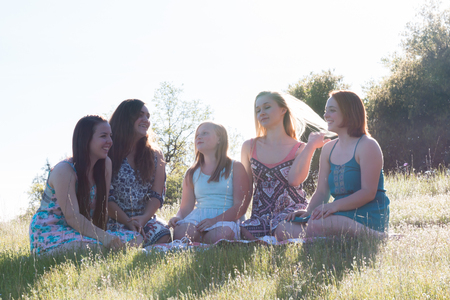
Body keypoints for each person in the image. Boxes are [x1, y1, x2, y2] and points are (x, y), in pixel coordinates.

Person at [29, 116, 142, 255]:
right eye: (103, 136)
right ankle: (44, 254)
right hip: (52, 230)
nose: (110, 141)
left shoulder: (105, 164)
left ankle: (110, 250)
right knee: (97, 249)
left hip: (82, 230)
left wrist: (120, 228)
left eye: (110, 136)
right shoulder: (64, 171)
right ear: (86, 139)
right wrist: (105, 238)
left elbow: (103, 206)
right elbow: (72, 217)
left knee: (136, 239)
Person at [285, 90, 390, 239]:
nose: (326, 115)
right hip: (336, 214)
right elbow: (322, 192)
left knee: (317, 224)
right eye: (325, 111)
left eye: (332, 110)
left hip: (367, 215)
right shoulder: (328, 149)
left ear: (349, 112)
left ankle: (377, 236)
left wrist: (333, 206)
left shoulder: (367, 145)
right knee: (283, 227)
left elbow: (368, 192)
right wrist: (309, 212)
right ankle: (326, 236)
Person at [240, 91, 331, 241]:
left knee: (283, 230)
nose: (261, 113)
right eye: (258, 110)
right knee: (243, 232)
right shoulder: (249, 146)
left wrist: (311, 146)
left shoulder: (300, 148)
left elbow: (295, 180)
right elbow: (246, 189)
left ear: (283, 110)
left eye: (267, 107)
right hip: (261, 215)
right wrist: (240, 218)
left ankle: (327, 235)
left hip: (291, 211)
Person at [168, 121, 250, 244]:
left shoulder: (236, 167)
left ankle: (205, 243)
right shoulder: (192, 172)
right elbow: (185, 208)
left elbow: (240, 206)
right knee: (181, 233)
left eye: (205, 133)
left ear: (219, 139)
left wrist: (214, 221)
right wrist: (178, 218)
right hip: (198, 218)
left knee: (218, 237)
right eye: (197, 135)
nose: (199, 137)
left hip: (225, 218)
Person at [107, 99, 171, 246]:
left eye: (148, 116)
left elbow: (156, 194)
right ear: (125, 117)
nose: (146, 120)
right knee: (132, 242)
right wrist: (128, 222)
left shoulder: (155, 154)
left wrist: (143, 218)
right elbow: (106, 199)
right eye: (140, 115)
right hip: (115, 220)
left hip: (145, 218)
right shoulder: (108, 151)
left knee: (163, 236)